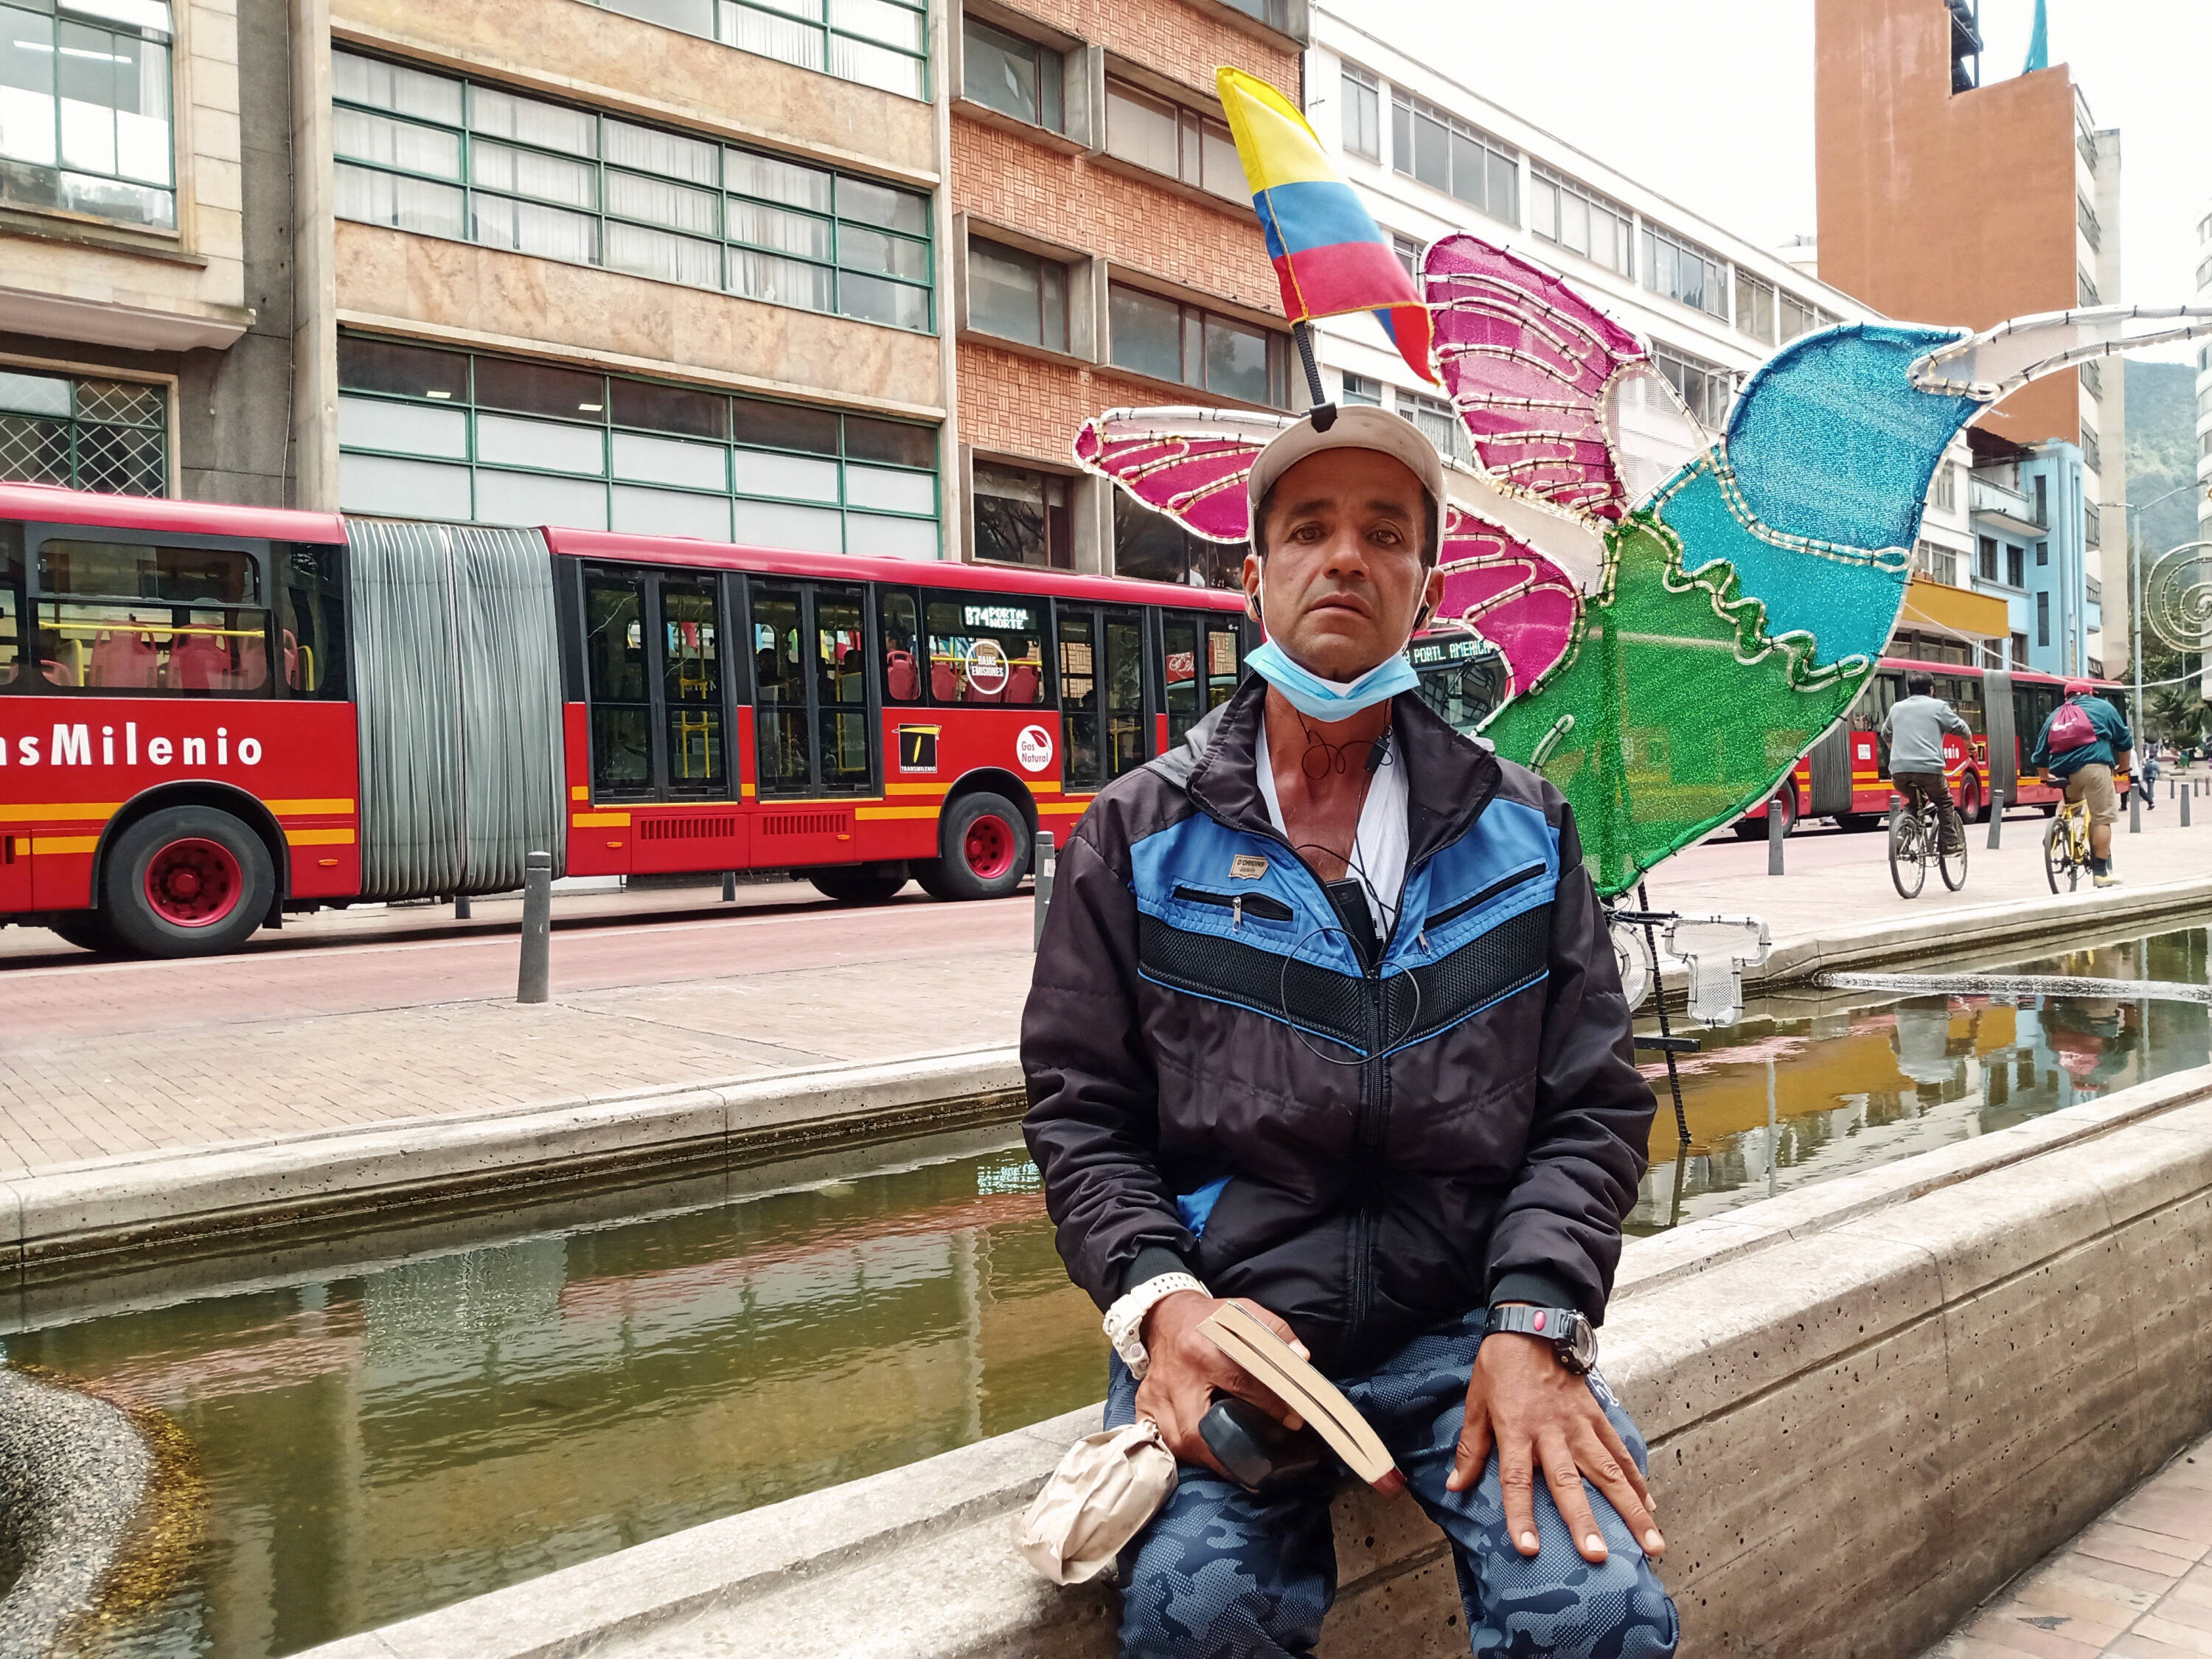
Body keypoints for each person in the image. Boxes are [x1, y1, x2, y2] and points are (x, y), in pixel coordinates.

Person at [1022, 406, 1677, 1659]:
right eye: (1308, 530)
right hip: (1240, 1339)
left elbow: (1593, 1106)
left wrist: (1536, 1320)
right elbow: (1081, 1117)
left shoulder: (1528, 830)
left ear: (1424, 593)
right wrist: (1167, 1312)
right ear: (1251, 578)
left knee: (1604, 1615)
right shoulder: (1132, 837)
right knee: (1197, 1618)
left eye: (1386, 535)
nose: (1345, 559)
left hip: (1465, 1334)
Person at [2028, 680, 2135, 888]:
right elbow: (2124, 740)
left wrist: (2046, 777)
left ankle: (2056, 833)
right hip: (2094, 768)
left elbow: (2040, 754)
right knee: (2102, 818)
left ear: (2066, 697)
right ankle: (2101, 873)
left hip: (2063, 772)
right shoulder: (2103, 708)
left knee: (2070, 802)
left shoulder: (2056, 715)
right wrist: (2124, 767)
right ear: (2091, 694)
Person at [1878, 675, 1972, 854]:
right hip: (1929, 770)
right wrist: (1970, 745)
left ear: (1909, 690)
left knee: (1913, 803)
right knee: (1944, 802)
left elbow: (1885, 733)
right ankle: (1951, 844)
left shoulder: (1896, 708)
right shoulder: (1938, 706)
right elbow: (1962, 728)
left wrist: (1897, 751)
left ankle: (1902, 836)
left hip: (1899, 772)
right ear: (1931, 689)